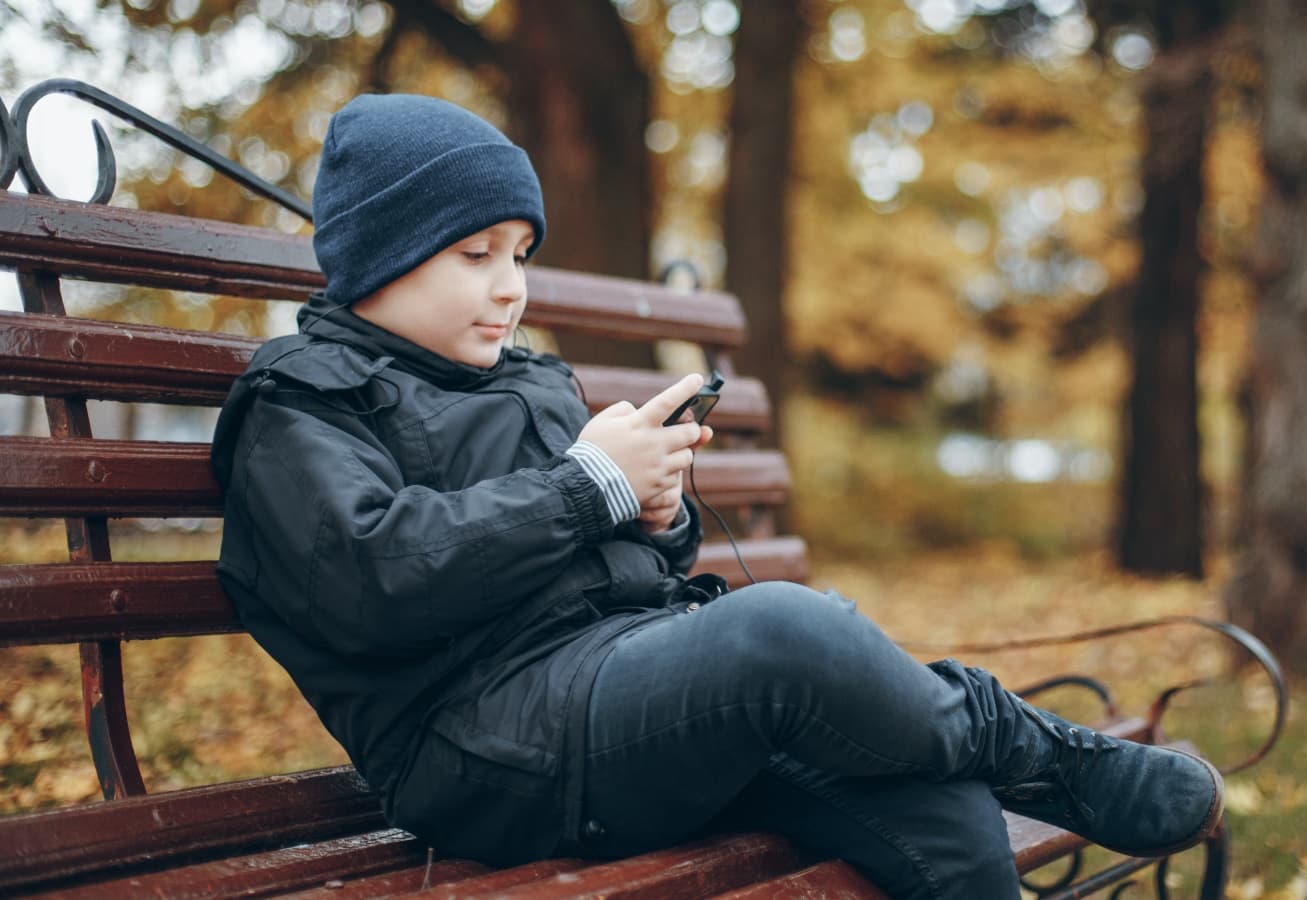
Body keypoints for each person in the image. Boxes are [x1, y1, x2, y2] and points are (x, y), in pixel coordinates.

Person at [210, 93, 1223, 899]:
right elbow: (378, 579)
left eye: (518, 255)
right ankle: (1040, 755)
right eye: (474, 256)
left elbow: (616, 560)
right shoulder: (299, 400)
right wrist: (590, 485)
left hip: (622, 702)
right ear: (380, 259)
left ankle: (993, 756)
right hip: (486, 747)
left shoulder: (526, 380)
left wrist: (655, 512)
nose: (509, 287)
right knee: (785, 633)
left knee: (939, 805)